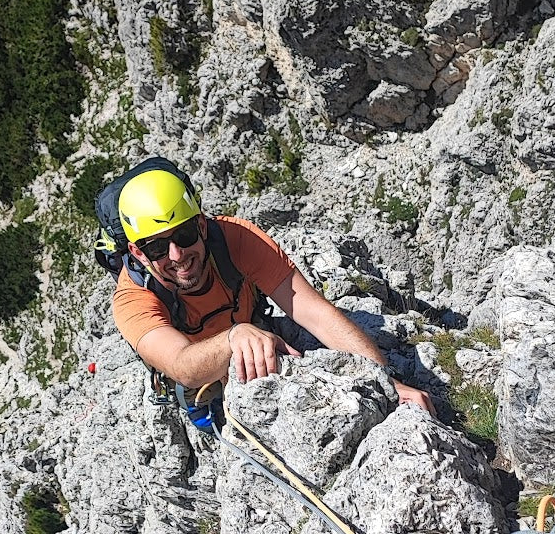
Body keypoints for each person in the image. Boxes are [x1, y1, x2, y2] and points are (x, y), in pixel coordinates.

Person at [111, 165, 434, 414]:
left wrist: (389, 383)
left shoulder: (235, 241)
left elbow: (314, 312)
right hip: (203, 379)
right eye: (156, 248)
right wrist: (234, 337)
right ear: (137, 252)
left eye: (183, 236)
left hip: (259, 341)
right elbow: (183, 366)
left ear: (202, 226)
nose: (176, 256)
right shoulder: (133, 298)